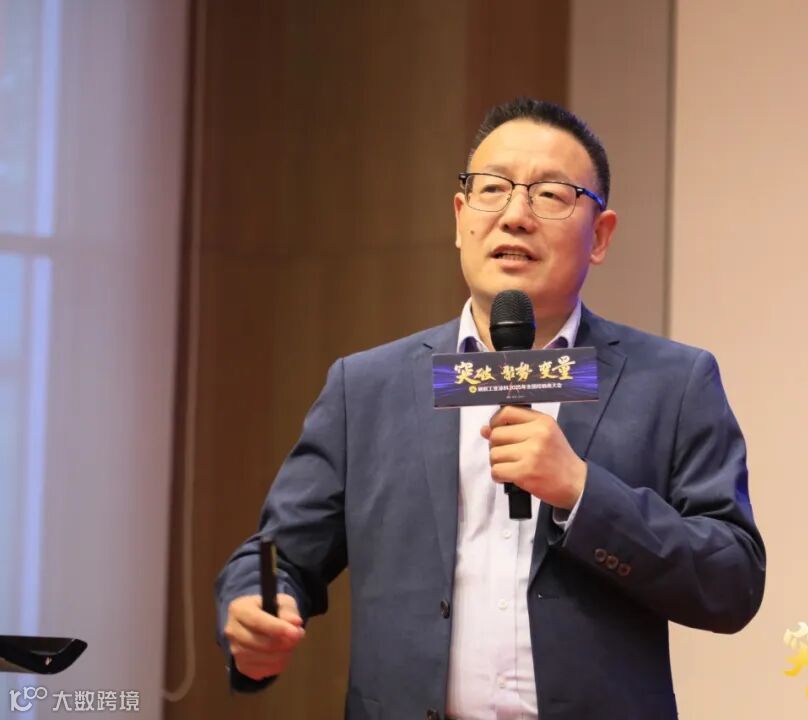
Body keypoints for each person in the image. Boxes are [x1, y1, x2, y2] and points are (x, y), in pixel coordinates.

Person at [216, 97, 766, 720]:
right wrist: (256, 609)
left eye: (550, 195)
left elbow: (732, 580)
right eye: (493, 189)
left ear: (600, 236)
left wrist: (584, 493)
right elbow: (279, 555)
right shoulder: (367, 388)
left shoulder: (671, 382)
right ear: (460, 218)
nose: (515, 216)